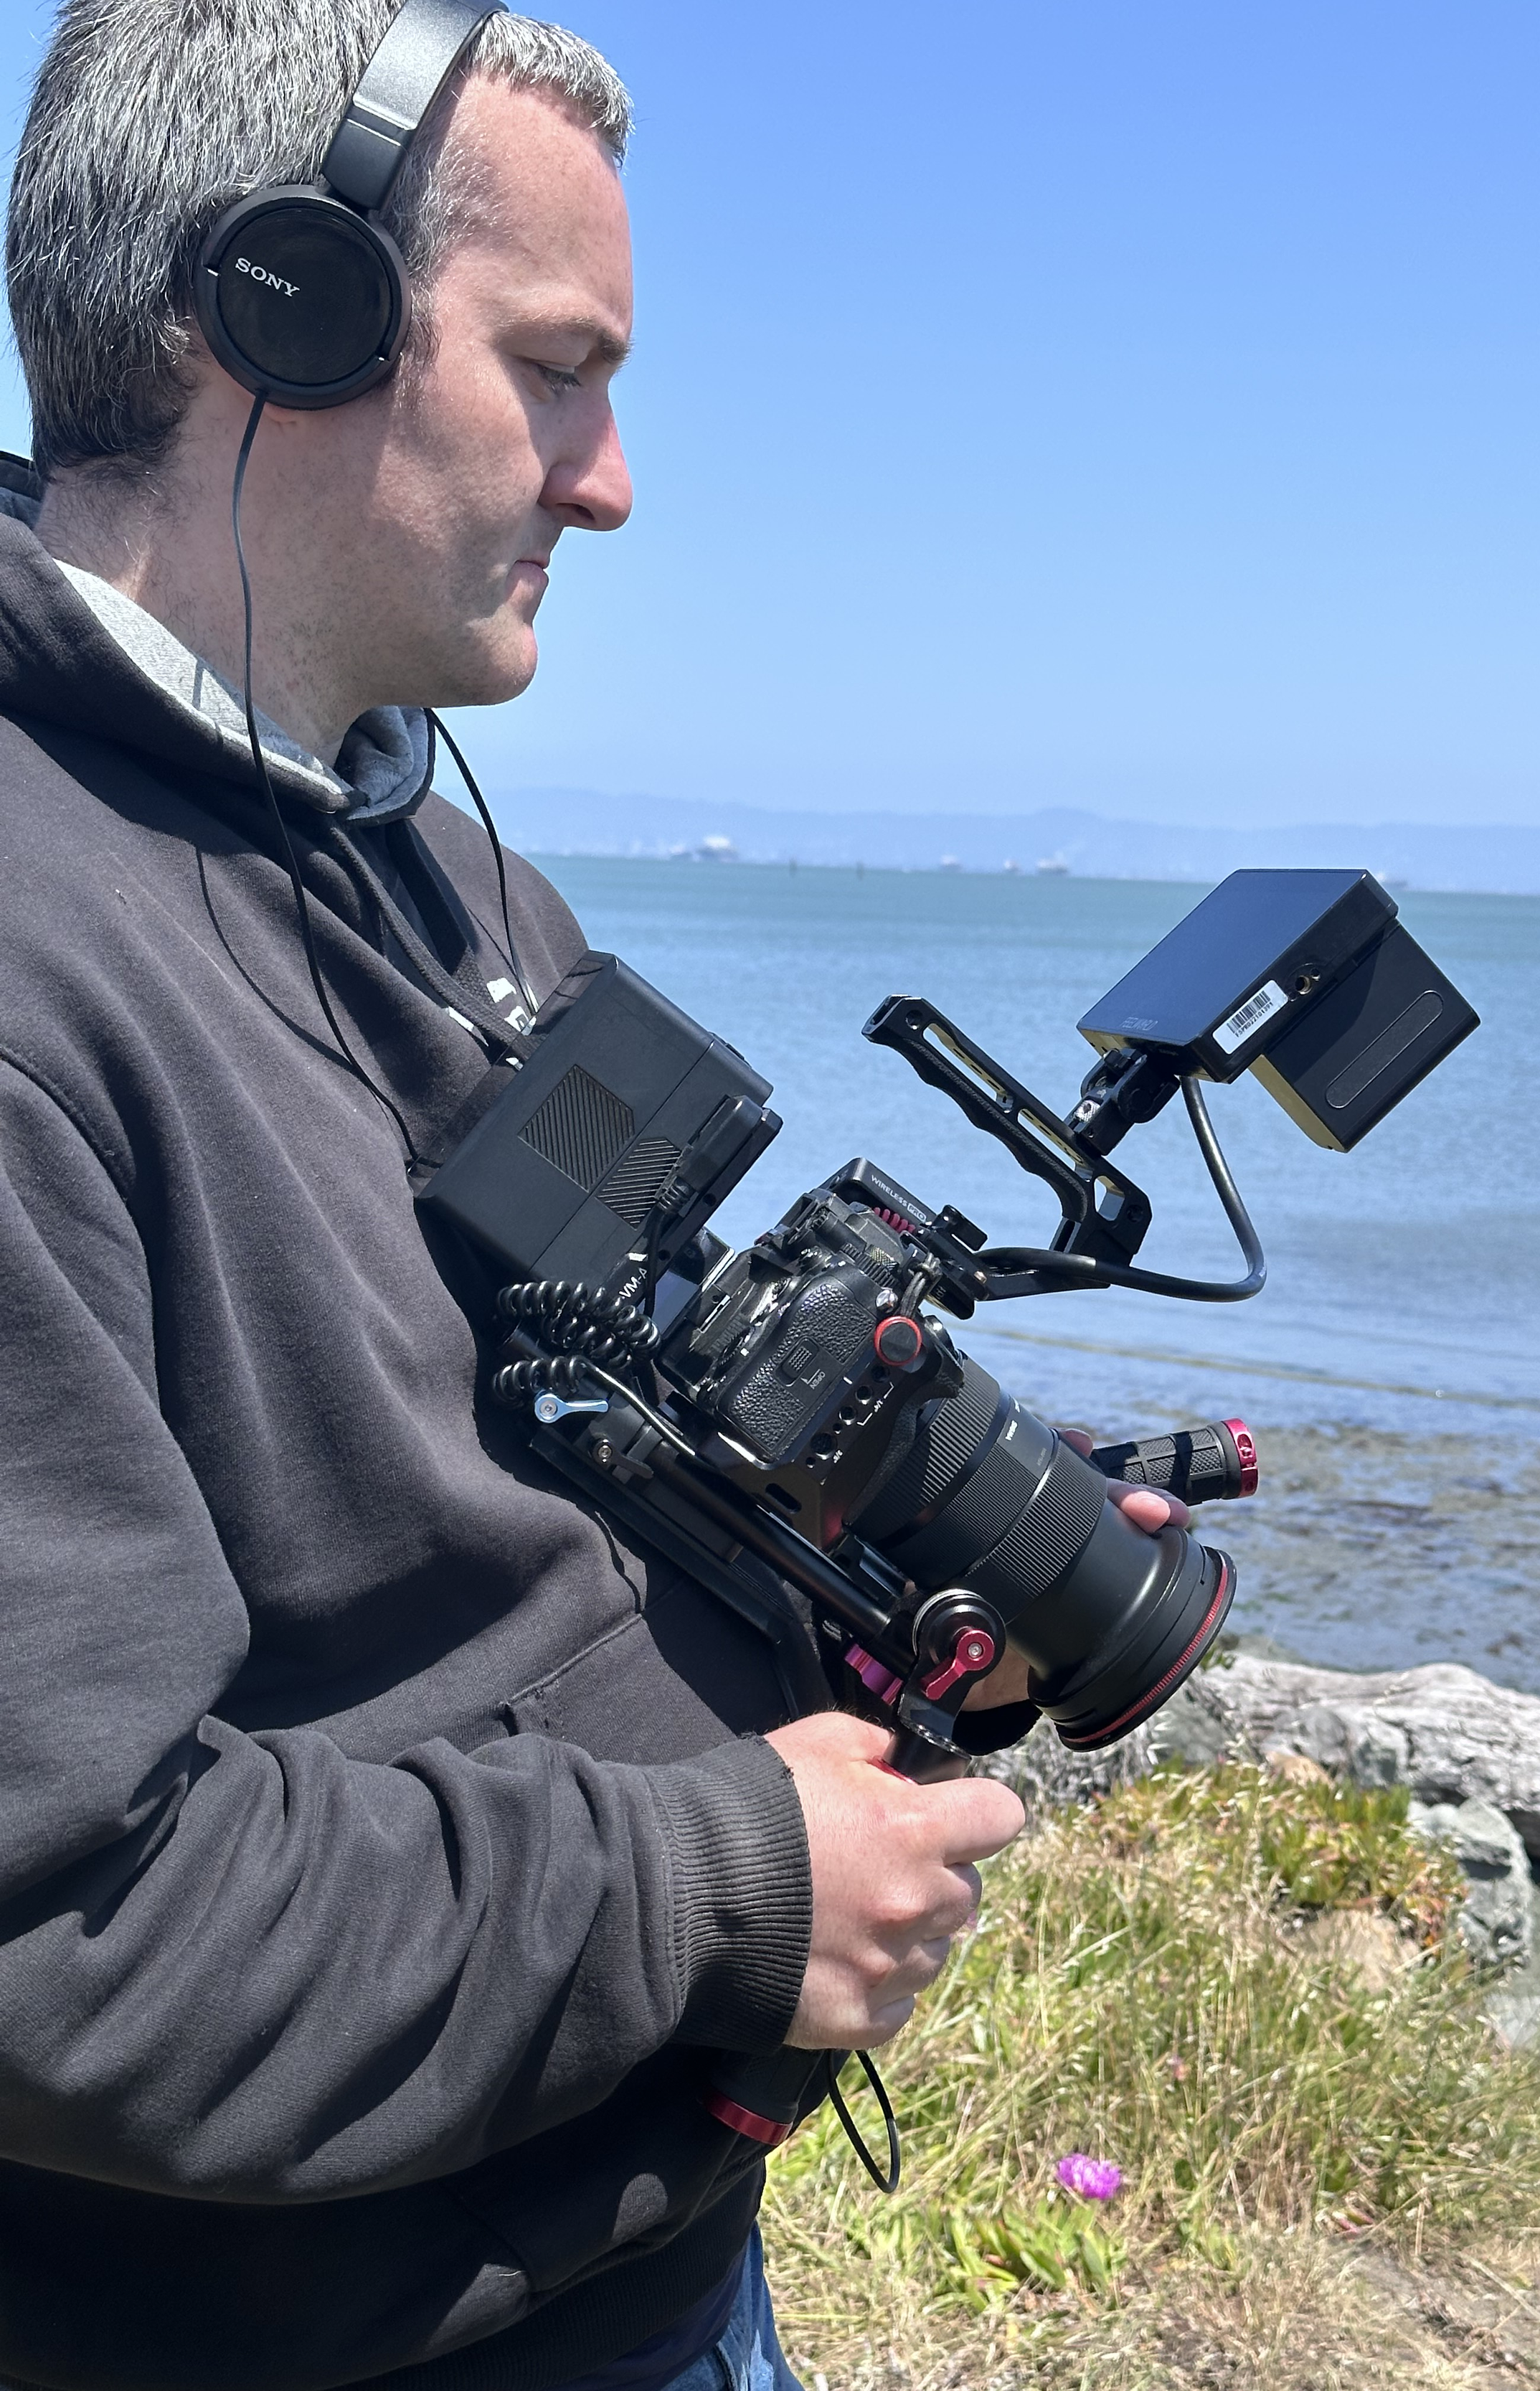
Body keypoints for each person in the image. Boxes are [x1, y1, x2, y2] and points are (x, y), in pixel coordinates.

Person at [0, 6, 1190, 2387]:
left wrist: (889, 1556)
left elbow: (589, 1454)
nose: (613, 482)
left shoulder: (434, 864)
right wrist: (726, 1883)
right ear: (277, 313)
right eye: (556, 371)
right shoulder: (37, 964)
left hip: (647, 2256)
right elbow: (68, 1935)